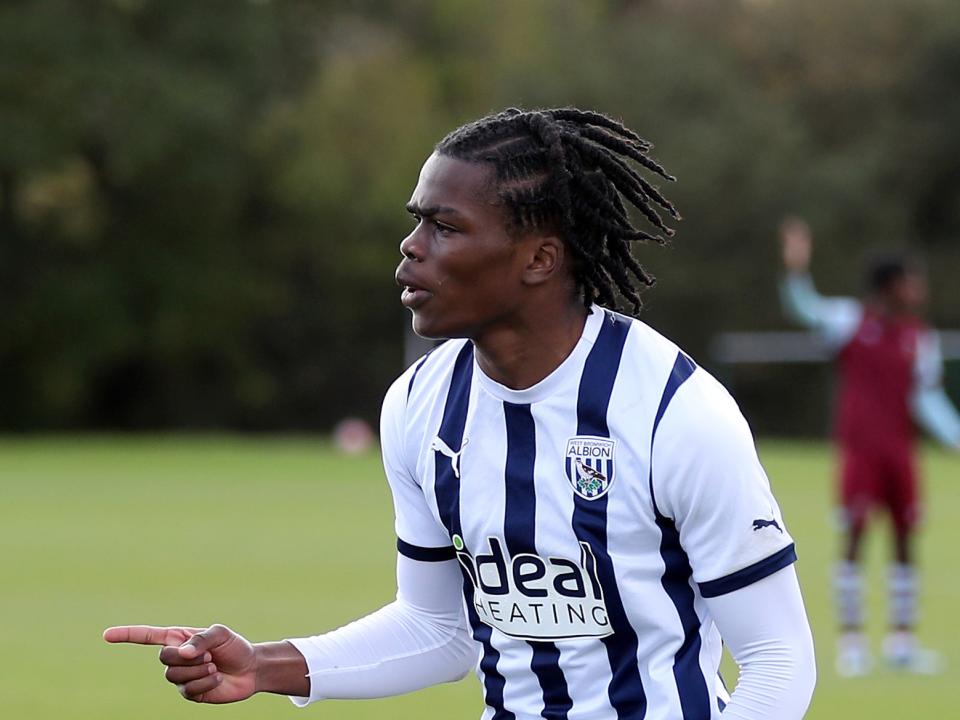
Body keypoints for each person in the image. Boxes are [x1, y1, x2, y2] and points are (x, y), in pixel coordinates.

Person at [105, 108, 816, 719]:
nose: (412, 247)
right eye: (417, 221)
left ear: (538, 258)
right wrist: (263, 666)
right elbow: (441, 628)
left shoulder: (675, 413)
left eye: (445, 226)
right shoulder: (419, 405)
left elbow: (778, 660)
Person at [779, 217, 960, 677]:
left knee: (904, 541)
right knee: (855, 541)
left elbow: (928, 400)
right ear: (892, 285)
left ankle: (901, 641)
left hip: (902, 455)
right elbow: (804, 308)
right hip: (861, 454)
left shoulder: (920, 338)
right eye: (911, 280)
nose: (919, 288)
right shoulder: (849, 321)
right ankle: (852, 642)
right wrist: (796, 267)